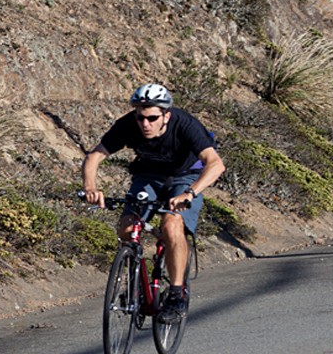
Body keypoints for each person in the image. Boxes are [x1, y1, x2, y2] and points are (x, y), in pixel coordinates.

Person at [81, 83, 225, 322]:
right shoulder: (128, 124)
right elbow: (94, 157)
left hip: (185, 177)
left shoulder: (185, 125)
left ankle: (176, 295)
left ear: (166, 115)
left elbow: (215, 164)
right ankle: (136, 283)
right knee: (127, 228)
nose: (145, 124)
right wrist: (90, 188)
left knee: (171, 225)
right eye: (140, 117)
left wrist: (190, 193)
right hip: (148, 175)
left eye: (152, 118)